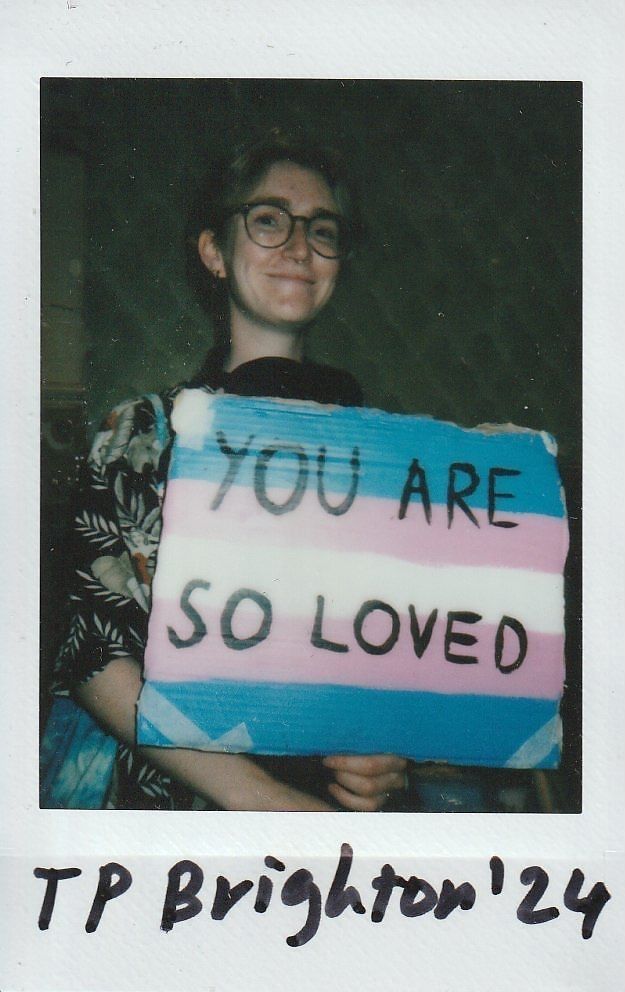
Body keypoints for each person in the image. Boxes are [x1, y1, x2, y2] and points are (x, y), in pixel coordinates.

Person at [42, 135, 408, 811]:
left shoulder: (382, 450)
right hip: (178, 811)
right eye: (269, 219)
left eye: (322, 230)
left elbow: (391, 643)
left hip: (331, 816)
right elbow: (89, 648)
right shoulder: (143, 432)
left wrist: (386, 750)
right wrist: (265, 801)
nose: (299, 247)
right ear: (213, 251)